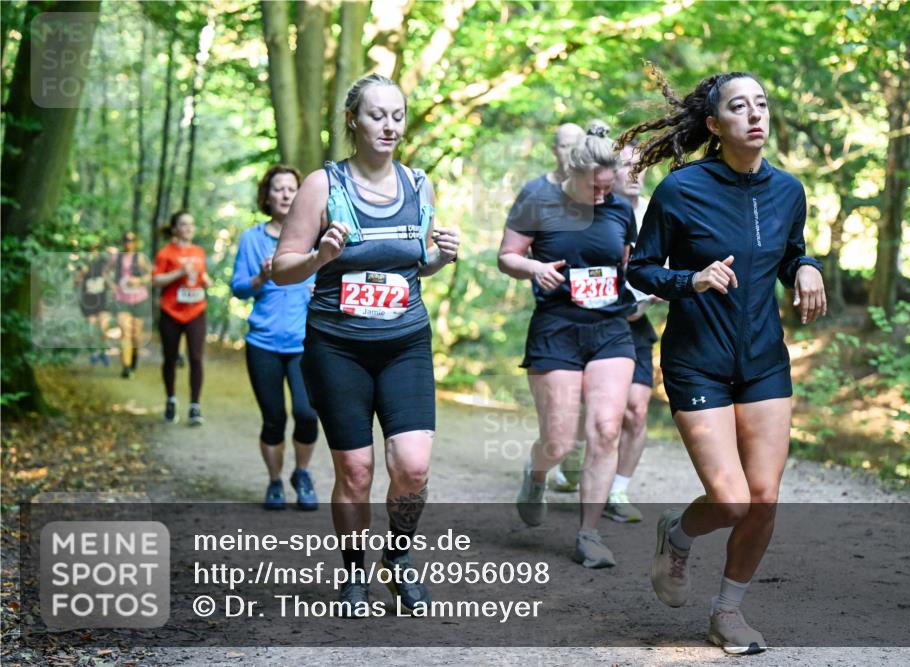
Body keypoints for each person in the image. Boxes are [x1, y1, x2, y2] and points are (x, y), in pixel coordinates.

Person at [623, 70, 827, 655]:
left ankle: (728, 612)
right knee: (732, 500)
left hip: (764, 360)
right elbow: (641, 270)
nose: (756, 114)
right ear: (715, 125)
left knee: (763, 497)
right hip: (697, 361)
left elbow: (788, 254)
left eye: (762, 103)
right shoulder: (682, 189)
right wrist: (692, 279)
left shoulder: (788, 190)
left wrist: (806, 266)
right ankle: (679, 534)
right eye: (740, 106)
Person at [272, 74, 460, 616]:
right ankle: (354, 573)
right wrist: (318, 259)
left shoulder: (419, 185)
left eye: (398, 115)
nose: (389, 125)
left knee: (414, 466)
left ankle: (398, 558)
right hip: (337, 347)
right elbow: (283, 268)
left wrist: (442, 256)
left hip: (405, 342)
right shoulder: (321, 186)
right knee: (355, 470)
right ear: (353, 119)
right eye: (377, 115)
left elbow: (416, 264)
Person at [498, 121, 637, 568]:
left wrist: (639, 292)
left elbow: (626, 263)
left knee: (605, 429)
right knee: (558, 441)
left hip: (611, 329)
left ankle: (589, 533)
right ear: (574, 174)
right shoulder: (537, 200)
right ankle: (537, 473)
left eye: (607, 187)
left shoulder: (620, 208)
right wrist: (533, 270)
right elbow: (507, 256)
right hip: (556, 327)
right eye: (595, 188)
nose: (602, 196)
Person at [553, 142, 662, 527]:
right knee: (591, 412)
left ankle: (617, 489)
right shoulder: (587, 208)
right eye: (629, 167)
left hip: (635, 324)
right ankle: (572, 456)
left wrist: (660, 288)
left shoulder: (655, 211)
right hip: (585, 326)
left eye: (643, 166)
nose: (637, 174)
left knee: (635, 410)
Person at [231, 165, 320, 511]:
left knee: (307, 413)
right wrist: (259, 278)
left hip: (304, 344)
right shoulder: (252, 240)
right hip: (263, 344)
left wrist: (320, 288)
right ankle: (275, 481)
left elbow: (334, 284)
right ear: (267, 196)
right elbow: (238, 288)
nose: (285, 194)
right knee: (274, 419)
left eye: (291, 189)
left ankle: (303, 473)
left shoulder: (314, 239)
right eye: (278, 189)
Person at [152, 211, 212, 426]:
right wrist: (178, 273)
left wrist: (206, 281)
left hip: (196, 310)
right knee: (170, 358)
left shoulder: (199, 251)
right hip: (171, 312)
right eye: (183, 225)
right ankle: (171, 399)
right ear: (175, 228)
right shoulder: (165, 253)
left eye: (191, 224)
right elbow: (156, 280)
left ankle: (195, 406)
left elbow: (201, 275)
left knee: (196, 357)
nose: (188, 228)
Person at [113, 231, 151, 378]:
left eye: (131, 240)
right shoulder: (116, 258)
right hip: (122, 299)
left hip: (139, 299)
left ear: (135, 242)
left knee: (136, 335)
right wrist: (112, 286)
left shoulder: (140, 258)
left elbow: (151, 274)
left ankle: (134, 359)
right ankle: (126, 367)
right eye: (126, 239)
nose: (128, 242)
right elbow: (105, 272)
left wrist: (139, 281)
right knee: (125, 332)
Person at [75, 242, 113, 366]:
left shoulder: (104, 263)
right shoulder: (83, 264)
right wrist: (81, 273)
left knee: (104, 327)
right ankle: (95, 353)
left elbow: (110, 282)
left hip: (102, 301)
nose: (93, 252)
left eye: (95, 249)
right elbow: (75, 282)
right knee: (91, 328)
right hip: (89, 302)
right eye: (91, 249)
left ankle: (104, 352)